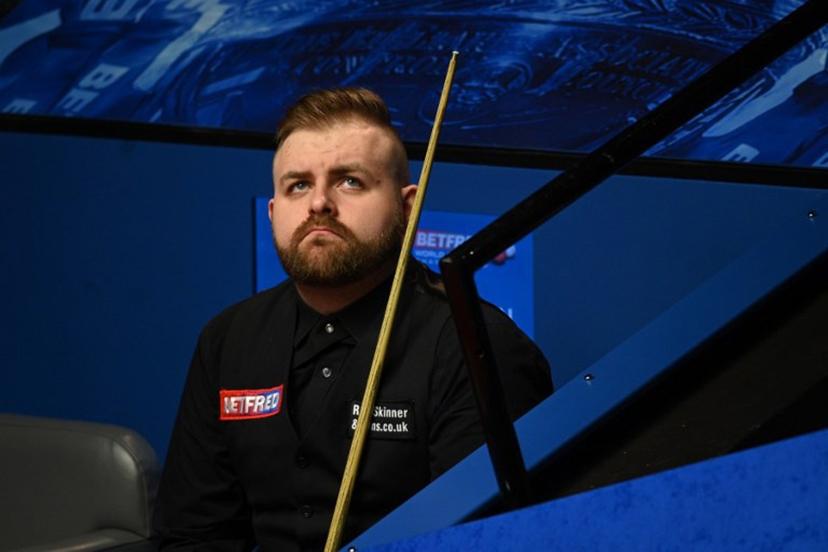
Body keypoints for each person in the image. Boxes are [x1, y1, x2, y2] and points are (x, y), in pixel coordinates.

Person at [153, 87, 553, 551]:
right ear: (273, 211)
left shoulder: (476, 345)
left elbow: (485, 542)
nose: (319, 203)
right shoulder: (229, 339)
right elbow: (191, 536)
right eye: (297, 185)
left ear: (408, 208)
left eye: (350, 182)